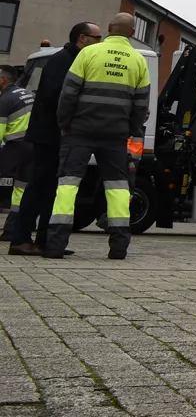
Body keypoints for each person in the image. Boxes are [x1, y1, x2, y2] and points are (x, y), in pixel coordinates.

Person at [44, 14, 150, 260]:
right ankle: (119, 247)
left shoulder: (88, 53)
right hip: (115, 134)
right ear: (132, 33)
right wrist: (130, 128)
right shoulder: (138, 60)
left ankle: (55, 245)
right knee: (117, 188)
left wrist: (64, 123)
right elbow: (141, 104)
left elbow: (68, 93)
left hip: (80, 130)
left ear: (110, 29)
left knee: (68, 185)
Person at [10, 23, 99, 256]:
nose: (100, 42)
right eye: (96, 37)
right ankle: (20, 238)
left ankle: (45, 239)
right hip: (50, 134)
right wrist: (65, 123)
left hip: (55, 133)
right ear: (82, 38)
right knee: (39, 185)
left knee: (51, 188)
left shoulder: (71, 59)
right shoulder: (63, 60)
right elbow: (54, 95)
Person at [0, 65, 35, 240]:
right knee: (21, 188)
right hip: (34, 146)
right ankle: (12, 229)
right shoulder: (27, 94)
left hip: (17, 146)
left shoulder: (5, 99)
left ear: (3, 80)